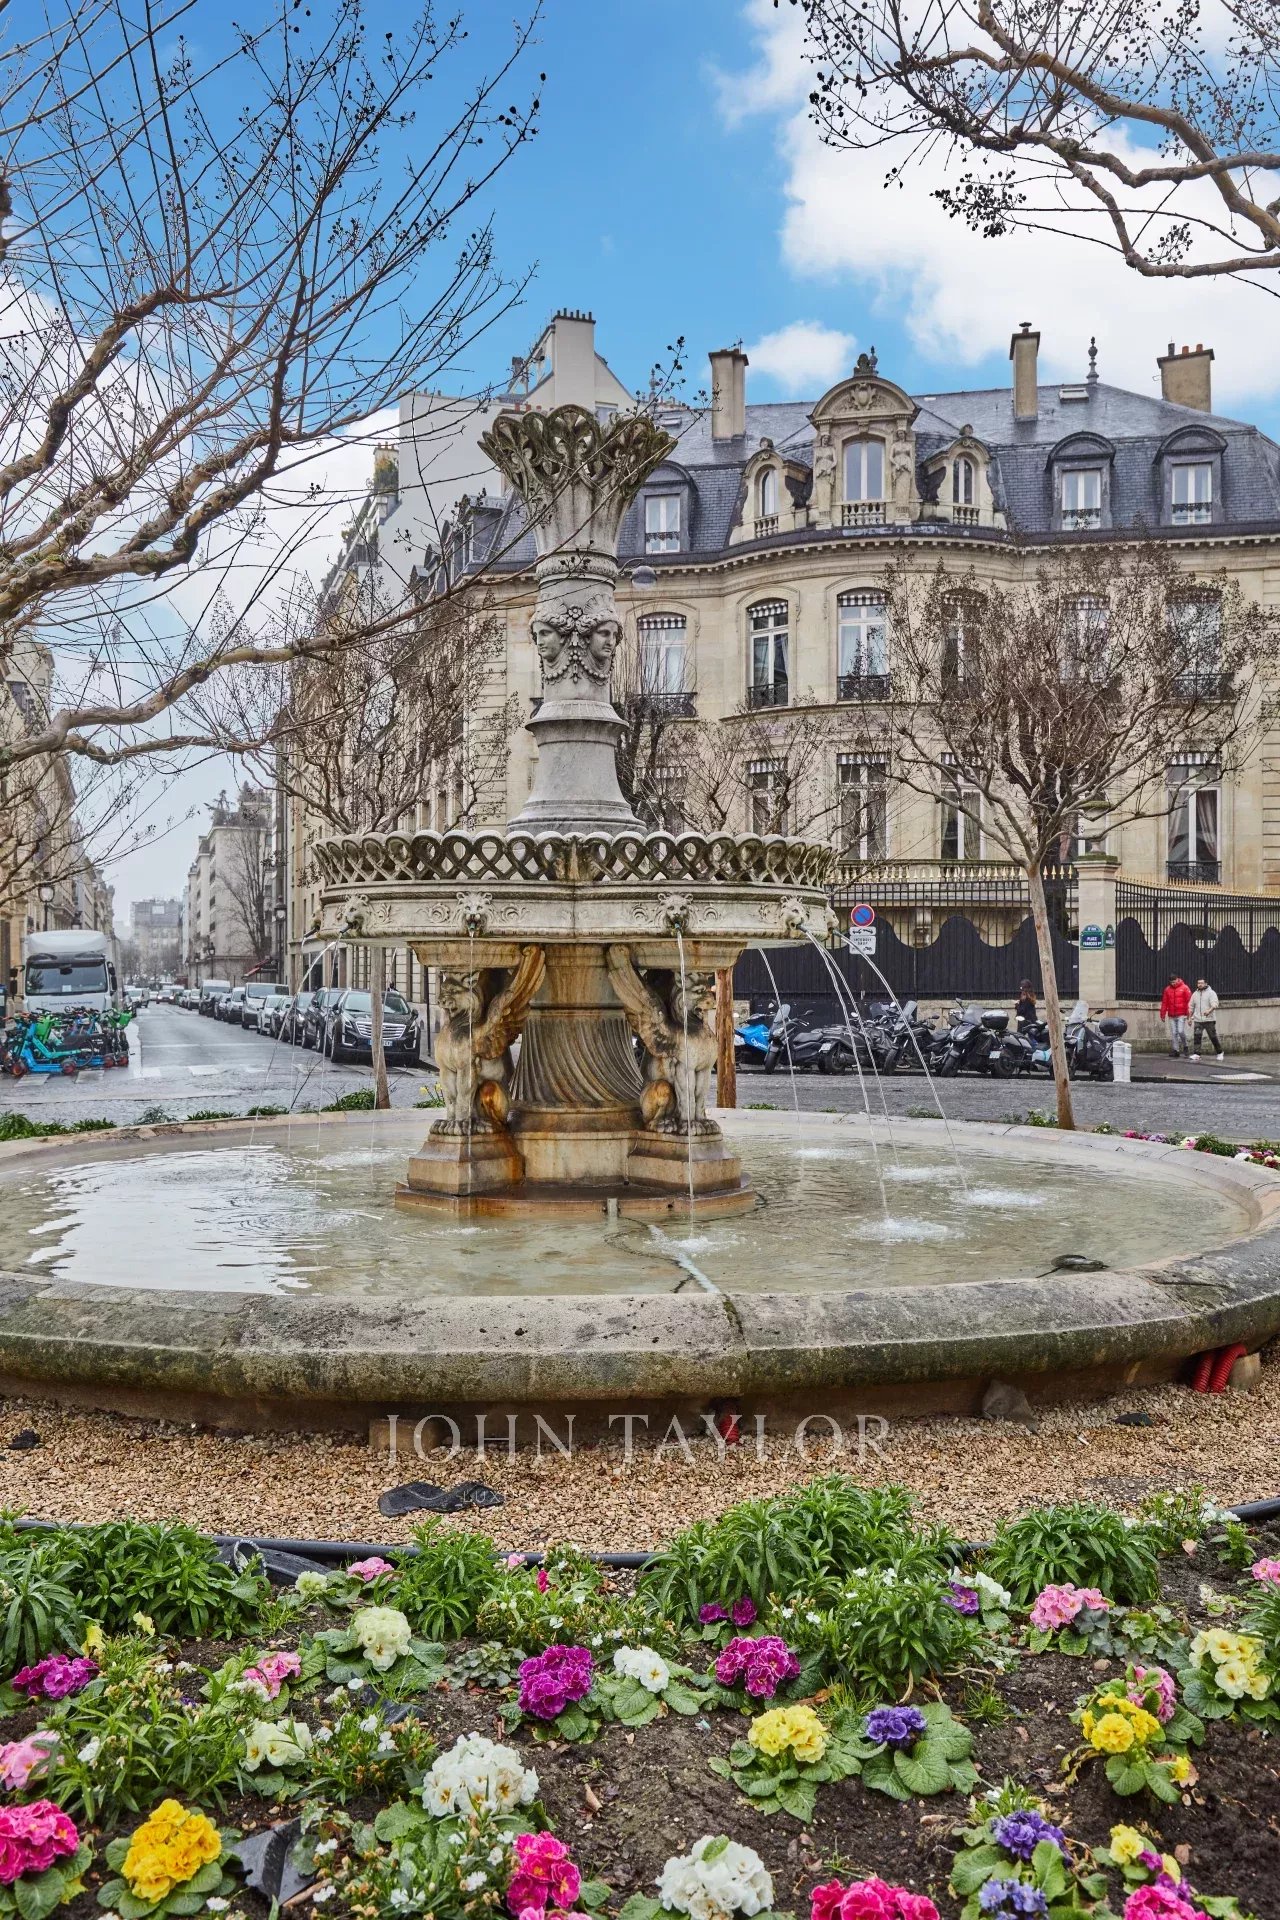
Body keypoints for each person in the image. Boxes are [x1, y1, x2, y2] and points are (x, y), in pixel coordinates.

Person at [1189, 978, 1224, 1061]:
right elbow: (1191, 1006)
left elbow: (1215, 1004)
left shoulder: (1211, 993)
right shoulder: (1195, 994)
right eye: (1198, 983)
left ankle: (1219, 1052)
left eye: (1201, 983)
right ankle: (1197, 1054)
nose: (1200, 985)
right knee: (1197, 1036)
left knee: (1213, 1036)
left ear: (1205, 984)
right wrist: (1189, 1018)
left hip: (1209, 1019)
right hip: (1198, 1019)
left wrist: (1209, 1011)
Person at [1159, 974, 1192, 1057]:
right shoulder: (1167, 989)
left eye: (1174, 982)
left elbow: (1189, 1002)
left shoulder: (1185, 988)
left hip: (1181, 1014)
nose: (1173, 984)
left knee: (1180, 1031)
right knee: (1174, 1033)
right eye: (1171, 982)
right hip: (1172, 1014)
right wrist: (1162, 1014)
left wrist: (1189, 1015)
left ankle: (1185, 1046)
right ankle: (1176, 1050)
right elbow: (1164, 1002)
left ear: (1177, 979)